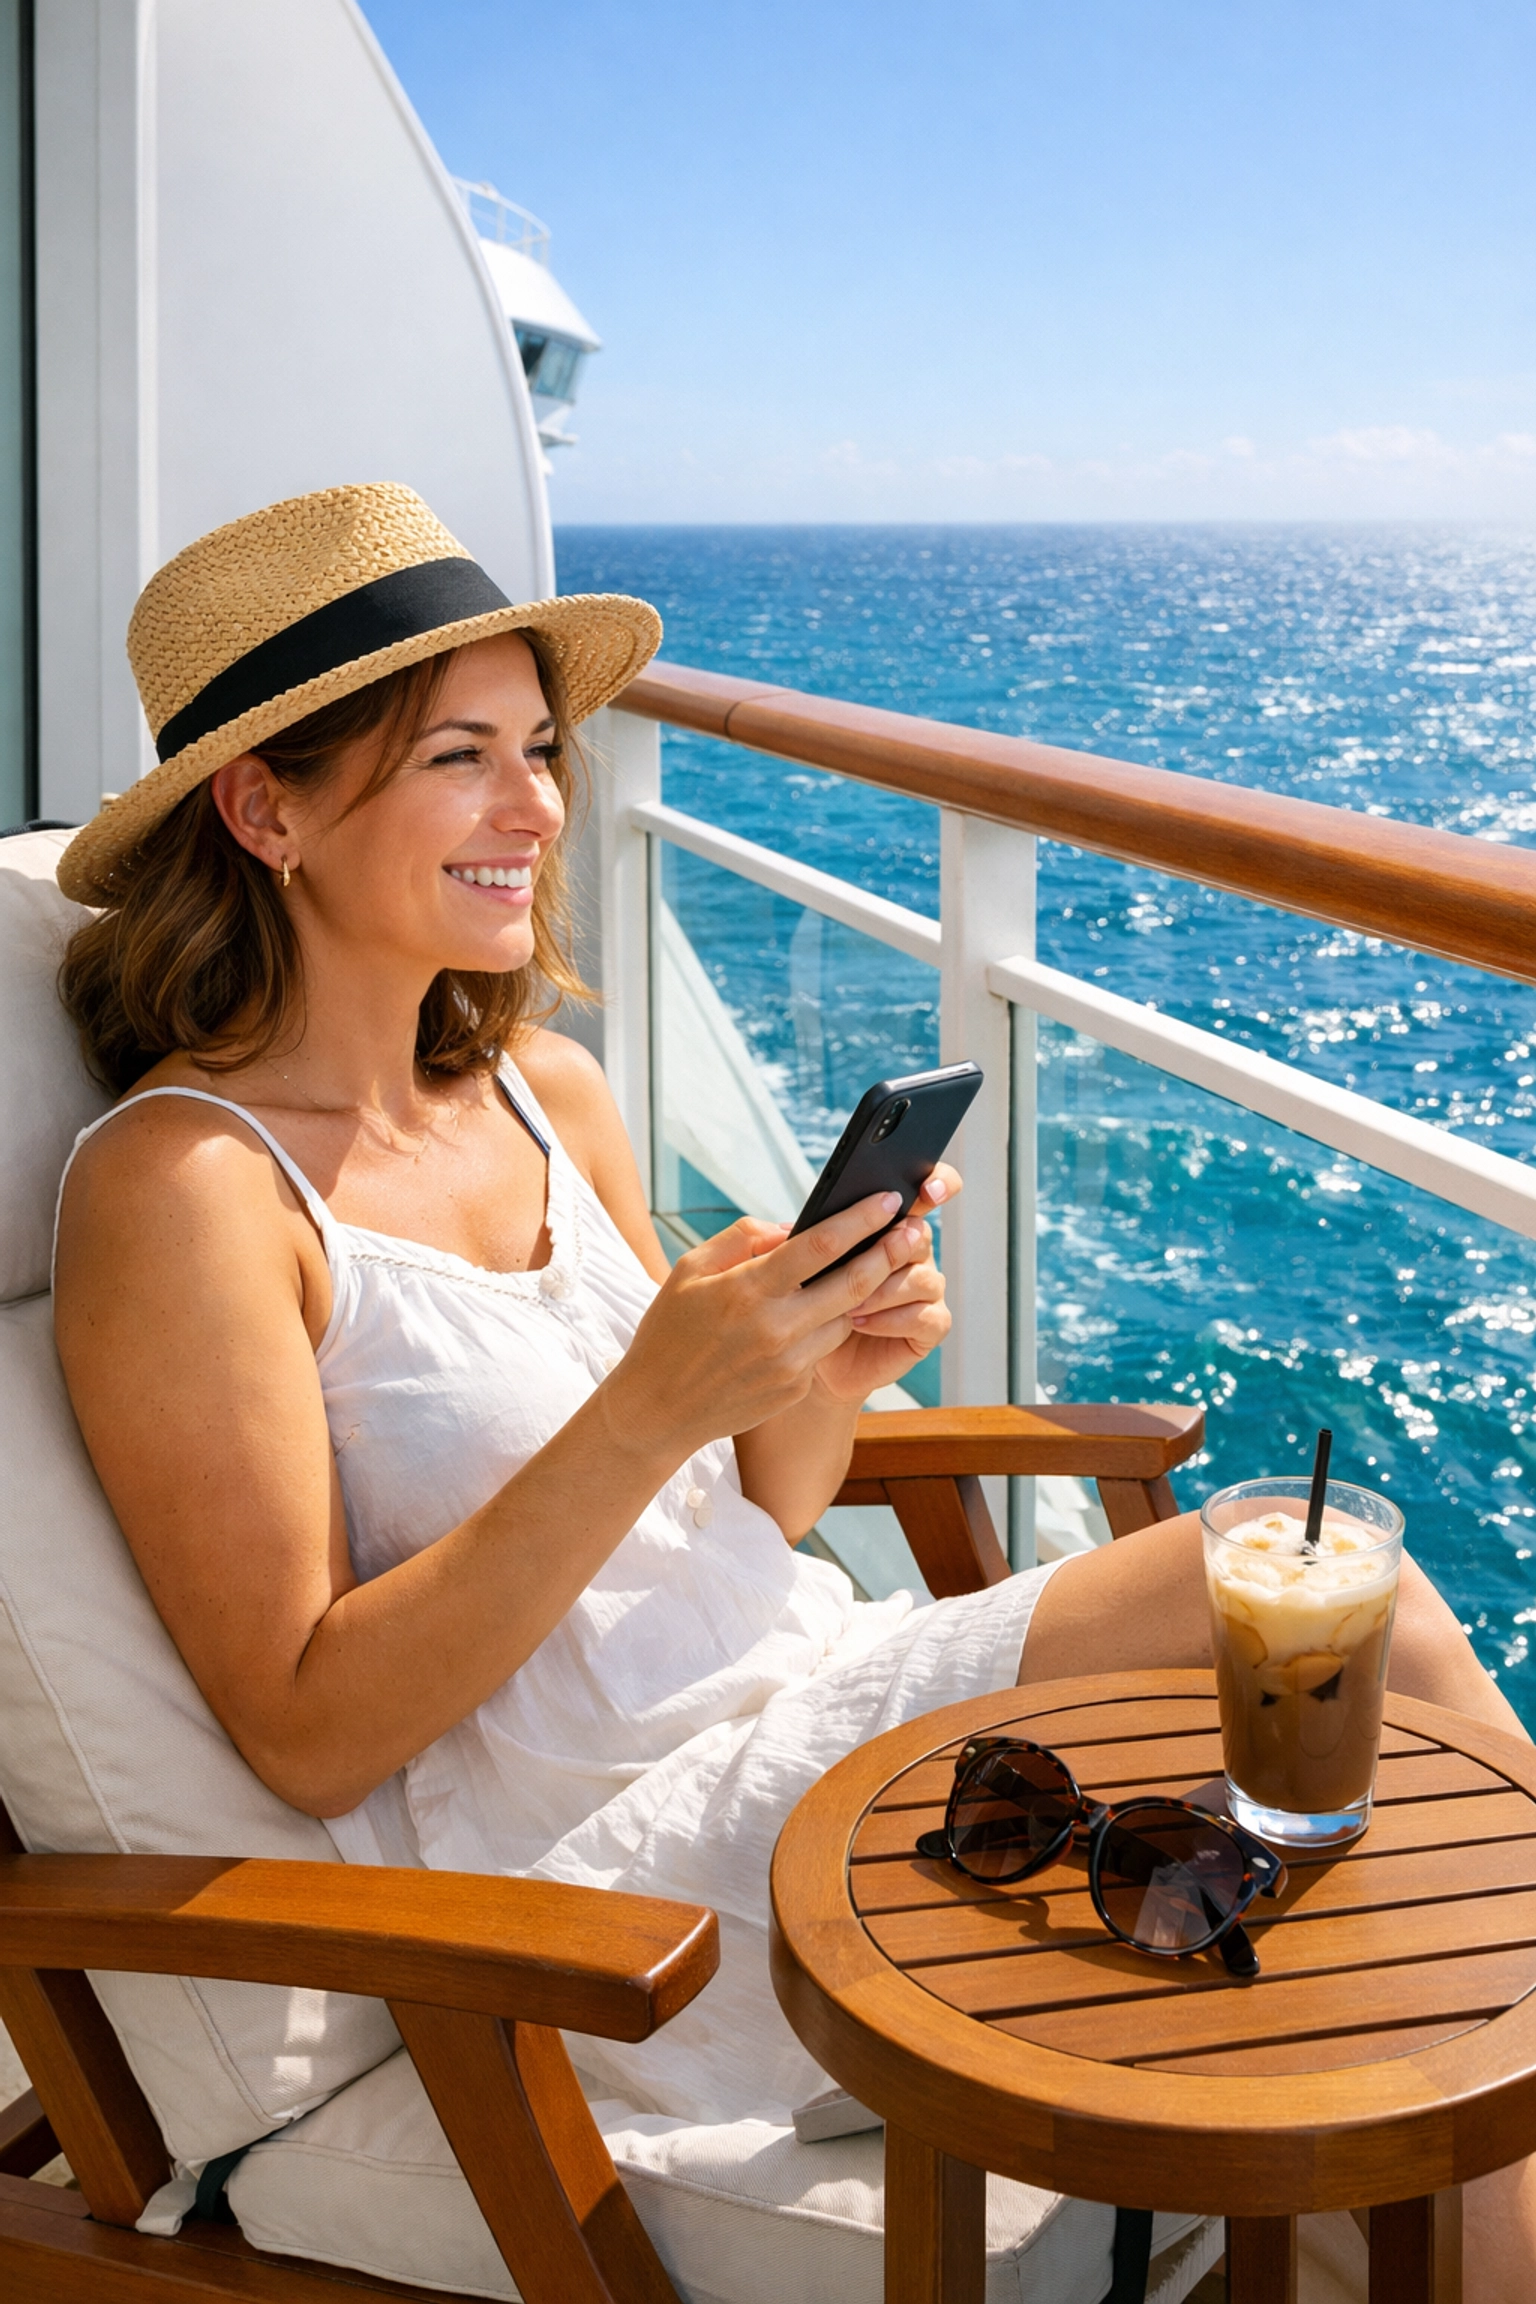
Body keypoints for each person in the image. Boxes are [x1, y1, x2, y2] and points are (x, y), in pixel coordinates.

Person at [52, 486, 1535, 2290]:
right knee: (1265, 1596)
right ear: (264, 805)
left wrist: (826, 1368)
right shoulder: (187, 1194)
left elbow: (743, 1518)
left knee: (1322, 1601)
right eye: (462, 757)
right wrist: (652, 1406)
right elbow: (301, 1727)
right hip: (596, 1875)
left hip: (802, 1689)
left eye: (541, 746)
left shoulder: (548, 1093)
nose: (537, 805)